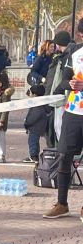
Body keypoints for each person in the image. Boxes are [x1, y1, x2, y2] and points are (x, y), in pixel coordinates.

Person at [43, 18, 83, 221]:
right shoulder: (74, 54)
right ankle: (62, 203)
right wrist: (72, 83)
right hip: (74, 112)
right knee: (64, 155)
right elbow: (63, 81)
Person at [44, 30, 73, 147]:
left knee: (60, 127)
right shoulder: (61, 57)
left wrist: (56, 90)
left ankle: (65, 155)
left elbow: (63, 79)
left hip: (62, 97)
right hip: (60, 96)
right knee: (58, 126)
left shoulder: (66, 58)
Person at [23, 84, 48, 163]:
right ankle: (35, 155)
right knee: (35, 141)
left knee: (32, 141)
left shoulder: (37, 105)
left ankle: (33, 156)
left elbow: (33, 117)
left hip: (34, 126)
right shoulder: (42, 103)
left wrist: (26, 123)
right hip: (39, 126)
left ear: (34, 94)